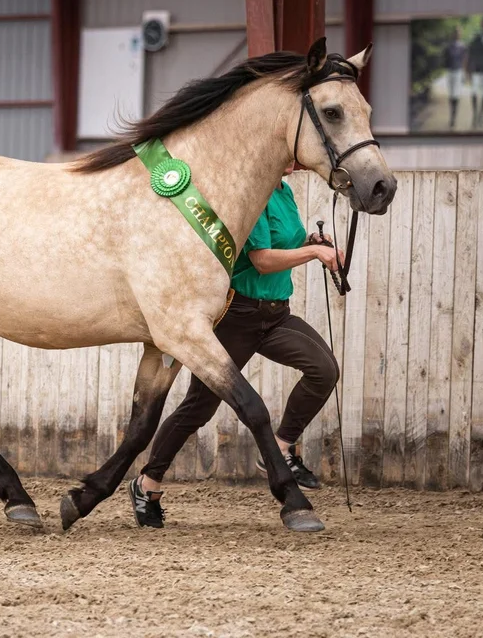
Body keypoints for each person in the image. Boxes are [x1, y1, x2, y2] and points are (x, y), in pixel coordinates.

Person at [128, 162, 342, 529]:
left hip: (277, 314)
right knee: (198, 409)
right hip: (239, 316)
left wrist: (310, 243)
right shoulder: (255, 196)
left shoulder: (284, 193)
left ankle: (283, 446)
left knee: (324, 369)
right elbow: (261, 260)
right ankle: (147, 484)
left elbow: (283, 245)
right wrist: (314, 255)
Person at [442, 25, 468, 130]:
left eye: (458, 33)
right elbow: (445, 59)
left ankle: (453, 117)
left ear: (460, 35)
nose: (457, 34)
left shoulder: (463, 46)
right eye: (455, 32)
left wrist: (465, 73)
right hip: (450, 72)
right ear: (453, 34)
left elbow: (465, 60)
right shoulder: (448, 46)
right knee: (451, 94)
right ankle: (451, 114)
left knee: (456, 95)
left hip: (458, 72)